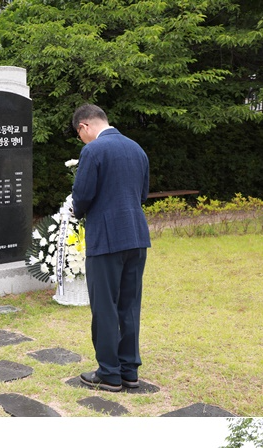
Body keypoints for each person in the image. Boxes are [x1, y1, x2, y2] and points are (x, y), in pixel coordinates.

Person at [71, 103, 151, 393]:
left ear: (84, 127)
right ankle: (129, 371)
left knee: (105, 307)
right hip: (136, 237)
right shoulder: (136, 149)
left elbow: (82, 195)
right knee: (129, 305)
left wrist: (76, 211)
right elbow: (142, 194)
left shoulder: (93, 151)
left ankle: (109, 373)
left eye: (80, 134)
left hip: (105, 239)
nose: (82, 140)